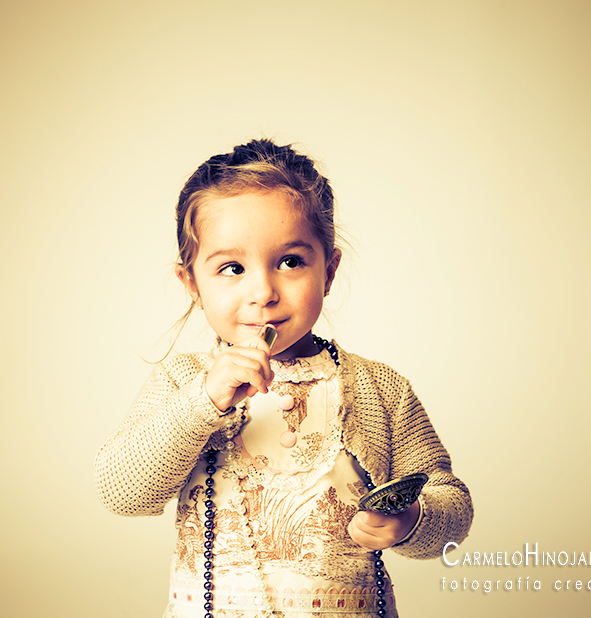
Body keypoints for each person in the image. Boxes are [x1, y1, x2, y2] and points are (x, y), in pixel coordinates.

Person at [94, 139, 473, 618]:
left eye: (290, 262)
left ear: (328, 272)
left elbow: (451, 502)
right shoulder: (186, 381)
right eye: (232, 268)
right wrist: (203, 402)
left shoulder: (380, 388)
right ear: (192, 283)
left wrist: (414, 521)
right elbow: (121, 491)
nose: (263, 292)